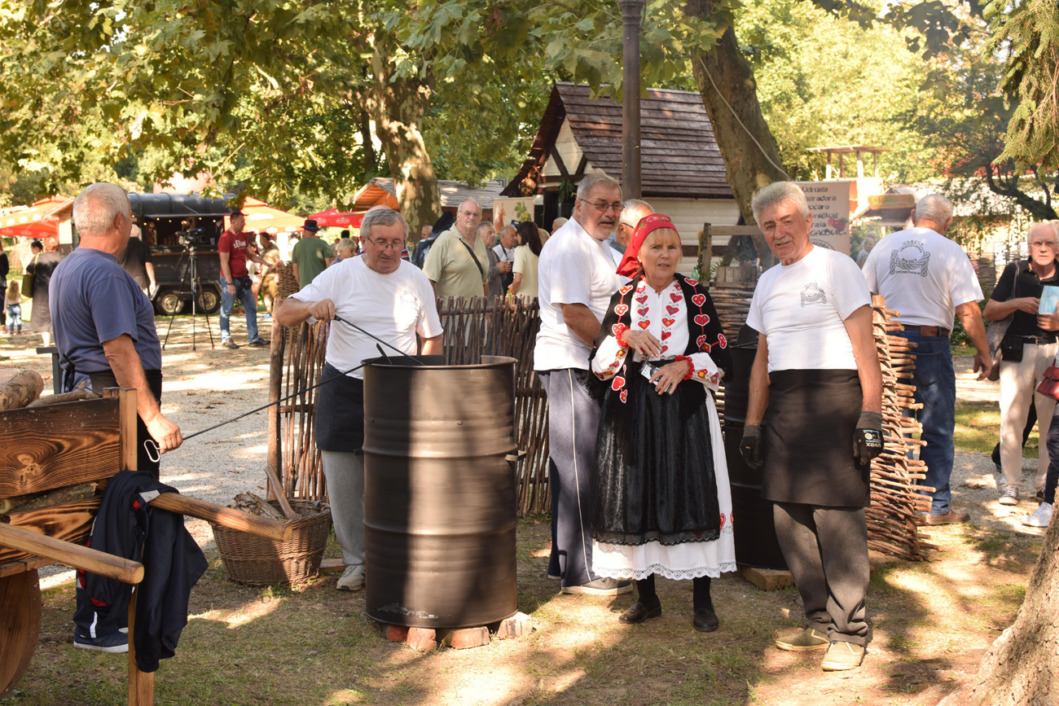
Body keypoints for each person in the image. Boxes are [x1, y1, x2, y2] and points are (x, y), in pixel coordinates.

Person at [740, 181, 882, 671]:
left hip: (836, 400)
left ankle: (850, 631)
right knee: (790, 520)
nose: (778, 233)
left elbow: (866, 348)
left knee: (836, 518)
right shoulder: (766, 282)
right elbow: (761, 360)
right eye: (769, 226)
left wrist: (871, 413)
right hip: (785, 406)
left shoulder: (836, 267)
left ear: (805, 220)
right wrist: (753, 424)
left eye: (785, 221)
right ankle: (818, 620)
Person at [275, 207, 443, 592]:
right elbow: (284, 313)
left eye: (396, 243)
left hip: (397, 387)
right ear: (363, 241)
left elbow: (432, 337)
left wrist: (424, 382)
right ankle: (356, 562)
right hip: (343, 385)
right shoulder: (340, 273)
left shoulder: (416, 278)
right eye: (380, 242)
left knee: (397, 480)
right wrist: (310, 308)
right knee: (344, 482)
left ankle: (397, 559)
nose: (389, 251)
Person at [51, 182, 183, 652]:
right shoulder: (105, 274)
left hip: (100, 400)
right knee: (124, 509)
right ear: (120, 223)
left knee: (112, 510)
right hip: (117, 404)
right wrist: (153, 417)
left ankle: (104, 615)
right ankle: (98, 623)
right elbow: (117, 348)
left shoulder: (68, 266)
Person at [589, 213, 735, 631]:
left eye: (672, 247)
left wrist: (687, 366)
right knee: (641, 492)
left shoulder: (695, 295)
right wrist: (623, 338)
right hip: (635, 409)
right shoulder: (624, 299)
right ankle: (647, 598)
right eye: (657, 247)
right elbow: (597, 364)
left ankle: (702, 601)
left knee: (692, 490)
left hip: (685, 409)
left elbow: (722, 358)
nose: (666, 254)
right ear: (641, 252)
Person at [862, 193, 991, 524]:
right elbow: (968, 310)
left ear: (913, 214)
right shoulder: (950, 250)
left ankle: (893, 500)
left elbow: (864, 298)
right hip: (931, 343)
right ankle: (933, 506)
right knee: (936, 425)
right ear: (947, 223)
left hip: (889, 342)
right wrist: (983, 351)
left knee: (894, 423)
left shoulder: (884, 246)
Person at [535, 172, 631, 596]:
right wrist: (616, 353)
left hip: (593, 365)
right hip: (570, 364)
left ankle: (565, 562)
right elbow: (575, 314)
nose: (609, 212)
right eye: (601, 204)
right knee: (577, 466)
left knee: (585, 463)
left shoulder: (603, 248)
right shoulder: (570, 246)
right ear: (578, 205)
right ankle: (581, 572)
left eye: (615, 205)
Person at [984, 221, 1059, 506]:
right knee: (1012, 420)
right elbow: (990, 311)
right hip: (1017, 353)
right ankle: (1011, 484)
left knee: (1050, 423)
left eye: (1048, 243)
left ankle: (1045, 484)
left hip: (1052, 354)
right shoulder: (1015, 271)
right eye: (1037, 243)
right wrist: (1017, 303)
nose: (1042, 248)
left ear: (1056, 247)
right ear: (1029, 248)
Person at [217, 209, 267, 350]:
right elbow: (224, 262)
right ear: (233, 222)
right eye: (241, 221)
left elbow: (250, 256)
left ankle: (254, 337)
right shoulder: (225, 238)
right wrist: (229, 283)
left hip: (242, 277)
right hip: (231, 279)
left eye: (244, 221)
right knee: (226, 310)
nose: (244, 224)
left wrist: (264, 262)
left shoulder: (243, 237)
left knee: (251, 307)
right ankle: (226, 338)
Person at [423, 200, 489, 300]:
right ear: (458, 215)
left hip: (477, 314)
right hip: (452, 314)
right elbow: (427, 279)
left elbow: (484, 282)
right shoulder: (445, 239)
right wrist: (435, 309)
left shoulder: (480, 241)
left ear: (480, 219)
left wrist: (486, 312)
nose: (471, 217)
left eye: (475, 214)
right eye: (467, 213)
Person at [28, 237, 64, 347]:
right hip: (59, 292)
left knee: (43, 319)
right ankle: (60, 343)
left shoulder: (38, 258)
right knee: (60, 317)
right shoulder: (64, 258)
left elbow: (29, 273)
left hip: (41, 292)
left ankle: (46, 344)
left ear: (46, 246)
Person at [606, 199, 654, 267]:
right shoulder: (604, 261)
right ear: (622, 230)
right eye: (644, 230)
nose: (650, 236)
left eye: (653, 231)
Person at [117, 219, 156, 298]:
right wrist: (153, 281)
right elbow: (148, 265)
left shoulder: (119, 246)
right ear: (138, 233)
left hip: (123, 281)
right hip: (140, 282)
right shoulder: (144, 246)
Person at [292, 219, 332, 289]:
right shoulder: (323, 244)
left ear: (304, 230)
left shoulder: (297, 245)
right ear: (315, 231)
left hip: (304, 286)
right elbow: (329, 266)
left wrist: (300, 284)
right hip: (320, 285)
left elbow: (295, 268)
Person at [509, 221, 542, 302]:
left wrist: (512, 292)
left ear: (522, 235)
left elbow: (518, 279)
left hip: (523, 301)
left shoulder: (520, 250)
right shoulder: (541, 251)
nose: (517, 238)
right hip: (539, 300)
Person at [479, 222, 506, 300]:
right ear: (479, 234)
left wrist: (504, 269)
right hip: (487, 303)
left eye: (494, 233)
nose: (494, 235)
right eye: (490, 233)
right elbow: (481, 276)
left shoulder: (492, 252)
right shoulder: (478, 252)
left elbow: (501, 278)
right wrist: (497, 269)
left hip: (497, 301)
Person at [492, 224, 517, 291]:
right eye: (512, 236)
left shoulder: (516, 251)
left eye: (516, 235)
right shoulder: (495, 251)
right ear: (503, 236)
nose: (515, 238)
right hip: (501, 290)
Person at [0, 239, 8, 334]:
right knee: (2, 305)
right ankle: (3, 326)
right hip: (1, 282)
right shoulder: (3, 255)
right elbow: (6, 270)